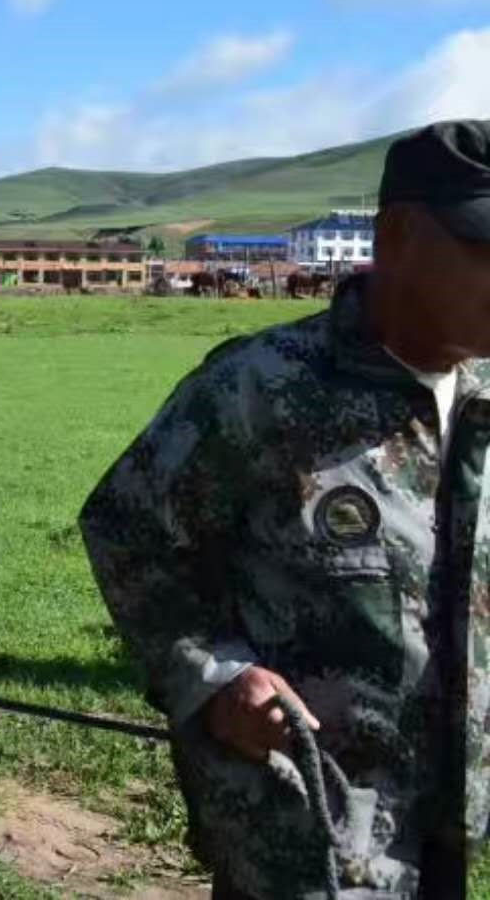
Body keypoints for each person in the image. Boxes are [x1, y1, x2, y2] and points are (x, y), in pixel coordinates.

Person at [79, 118, 490, 898]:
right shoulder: (259, 389)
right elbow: (127, 529)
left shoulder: (484, 396)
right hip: (307, 840)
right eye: (485, 249)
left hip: (453, 834)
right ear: (400, 236)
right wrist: (214, 678)